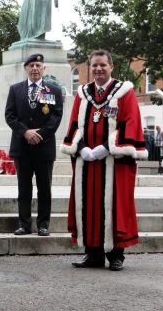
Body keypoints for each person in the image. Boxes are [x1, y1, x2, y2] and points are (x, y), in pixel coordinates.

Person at [61, 49, 147, 271]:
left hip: (114, 163)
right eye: (94, 66)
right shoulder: (83, 93)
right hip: (87, 162)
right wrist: (81, 148)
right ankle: (93, 254)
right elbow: (74, 124)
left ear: (111, 67)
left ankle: (116, 255)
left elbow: (130, 123)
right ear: (89, 68)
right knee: (88, 204)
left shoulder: (124, 92)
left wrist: (105, 148)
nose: (98, 69)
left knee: (115, 205)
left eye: (103, 65)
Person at [5, 53, 63, 237]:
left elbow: (56, 116)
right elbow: (10, 115)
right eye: (31, 66)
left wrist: (39, 134)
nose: (35, 69)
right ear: (26, 69)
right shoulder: (15, 90)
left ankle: (43, 224)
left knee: (44, 188)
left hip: (44, 147)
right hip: (22, 147)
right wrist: (25, 132)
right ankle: (24, 224)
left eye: (38, 65)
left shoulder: (54, 90)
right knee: (24, 188)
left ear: (44, 68)